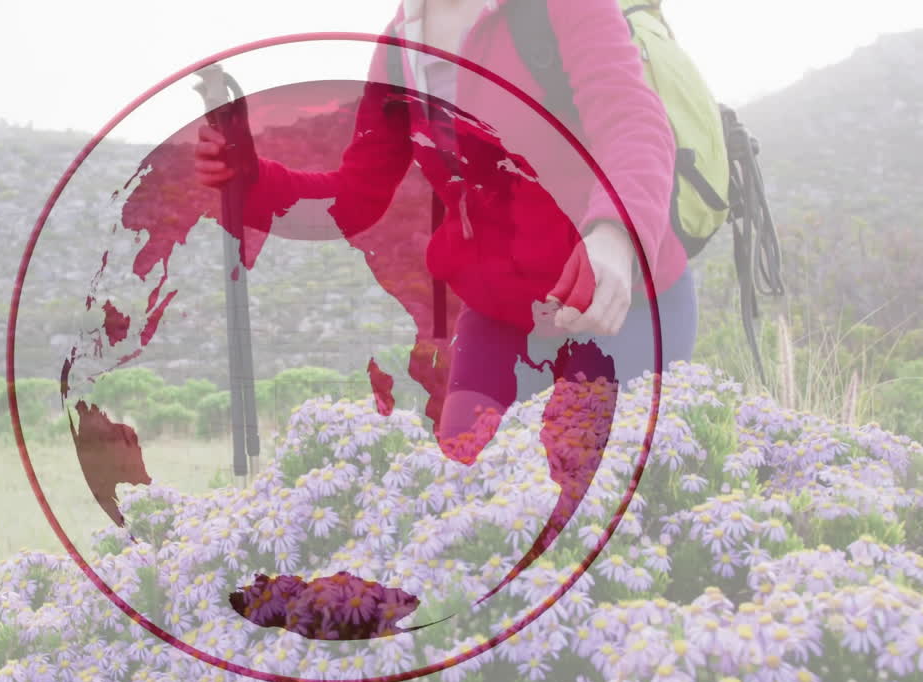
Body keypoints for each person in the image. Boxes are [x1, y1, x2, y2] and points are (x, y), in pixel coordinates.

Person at [194, 0, 698, 447]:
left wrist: (613, 237)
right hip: (502, 318)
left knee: (596, 498)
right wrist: (250, 180)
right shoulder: (398, 48)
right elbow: (352, 199)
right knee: (464, 493)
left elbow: (631, 118)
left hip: (622, 303)